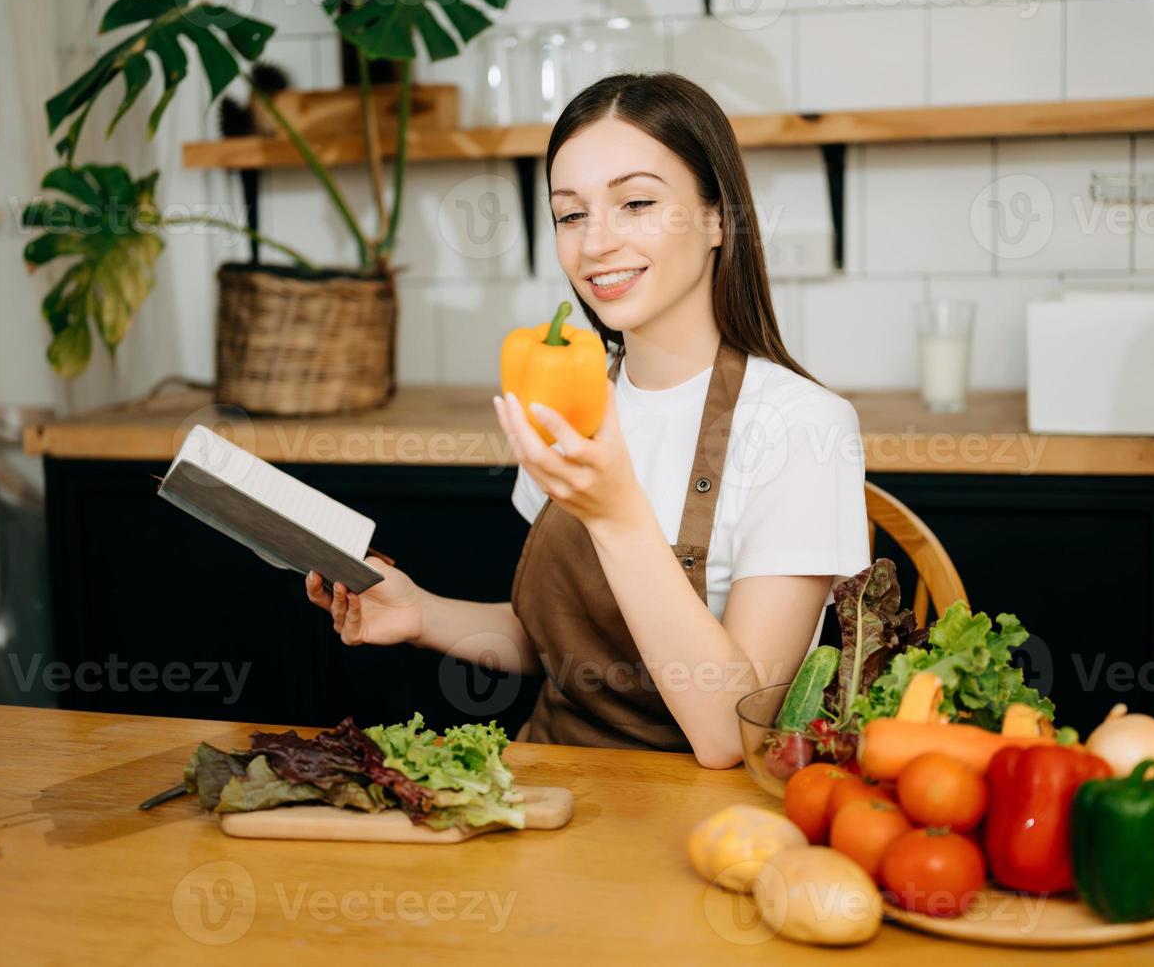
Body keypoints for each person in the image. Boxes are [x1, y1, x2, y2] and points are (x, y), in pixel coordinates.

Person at [306, 72, 869, 768]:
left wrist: (616, 515)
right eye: (571, 214)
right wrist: (421, 614)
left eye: (635, 203)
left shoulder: (802, 427)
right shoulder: (571, 397)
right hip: (547, 789)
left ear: (718, 218)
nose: (596, 244)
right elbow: (564, 647)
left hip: (702, 825)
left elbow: (736, 735)